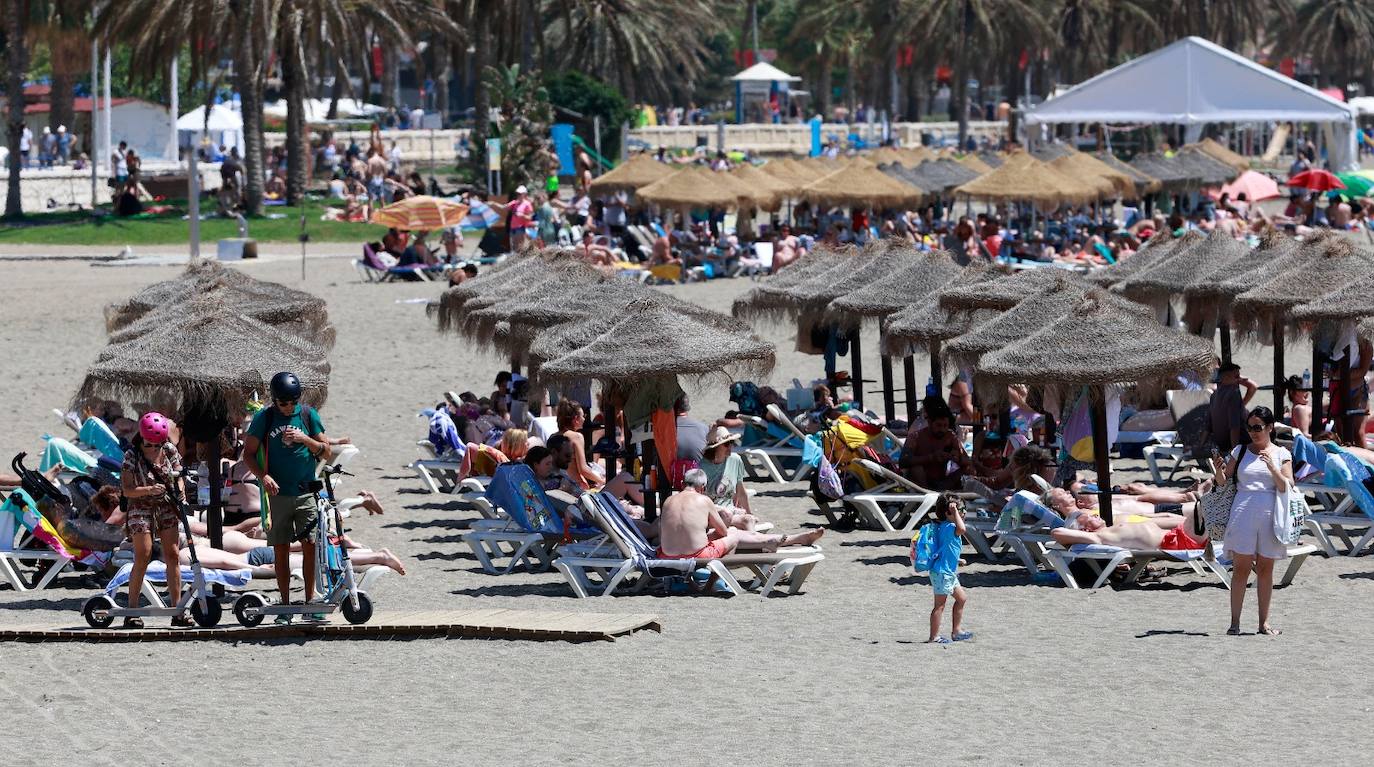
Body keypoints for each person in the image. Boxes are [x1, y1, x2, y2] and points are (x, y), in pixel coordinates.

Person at [241, 372, 329, 624]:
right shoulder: (265, 417)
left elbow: (327, 451)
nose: (288, 407)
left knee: (310, 546)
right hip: (277, 494)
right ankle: (286, 604)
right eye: (283, 403)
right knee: (280, 549)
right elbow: (249, 454)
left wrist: (304, 439)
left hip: (305, 492)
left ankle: (311, 600)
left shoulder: (307, 415)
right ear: (275, 400)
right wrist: (263, 477)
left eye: (292, 401)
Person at [1211, 406, 1293, 636]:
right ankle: (1234, 623)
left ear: (1270, 428)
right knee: (1241, 569)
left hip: (1270, 514)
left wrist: (1272, 467)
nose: (1253, 432)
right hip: (1243, 511)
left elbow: (1287, 485)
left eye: (1258, 427)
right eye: (1249, 427)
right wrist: (1218, 471)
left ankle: (1263, 623)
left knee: (1266, 569)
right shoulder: (1240, 450)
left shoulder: (1281, 453)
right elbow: (1224, 481)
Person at [656, 469, 823, 559]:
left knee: (719, 536)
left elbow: (666, 533)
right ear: (703, 487)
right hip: (698, 555)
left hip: (667, 555)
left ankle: (777, 541)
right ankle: (776, 541)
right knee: (734, 535)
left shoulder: (668, 501)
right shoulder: (703, 500)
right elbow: (724, 533)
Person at [120, 413, 187, 628]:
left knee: (173, 554)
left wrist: (180, 490)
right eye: (151, 444)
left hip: (167, 503)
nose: (154, 448)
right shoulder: (132, 456)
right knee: (144, 554)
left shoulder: (168, 450)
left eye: (158, 444)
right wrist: (149, 489)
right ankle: (132, 609)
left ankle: (177, 610)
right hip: (140, 505)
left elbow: (179, 474)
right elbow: (127, 490)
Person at [925, 495, 972, 644]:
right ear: (948, 513)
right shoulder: (951, 527)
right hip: (942, 573)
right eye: (961, 510)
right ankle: (934, 637)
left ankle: (956, 631)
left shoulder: (943, 527)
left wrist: (957, 560)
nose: (963, 513)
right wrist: (955, 511)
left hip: (947, 572)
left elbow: (945, 548)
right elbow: (962, 529)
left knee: (961, 598)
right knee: (939, 605)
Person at [898, 399, 971, 491]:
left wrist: (956, 458)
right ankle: (928, 493)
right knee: (917, 468)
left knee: (968, 469)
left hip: (942, 481)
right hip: (919, 483)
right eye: (939, 425)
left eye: (945, 426)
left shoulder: (950, 436)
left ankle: (943, 491)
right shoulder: (916, 437)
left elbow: (967, 462)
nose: (942, 429)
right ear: (929, 423)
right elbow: (903, 462)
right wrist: (930, 457)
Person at [1209, 362, 1257, 455]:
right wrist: (1235, 452)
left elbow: (1208, 425)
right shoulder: (1232, 393)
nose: (1239, 379)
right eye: (1236, 377)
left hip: (1219, 442)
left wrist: (1240, 406)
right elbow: (1234, 427)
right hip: (1237, 444)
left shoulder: (1214, 394)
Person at [674, 394, 709, 462]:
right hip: (698, 471)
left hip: (673, 470)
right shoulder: (703, 427)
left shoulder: (667, 430)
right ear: (687, 409)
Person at [509, 185, 535, 251]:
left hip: (521, 228)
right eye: (517, 194)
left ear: (524, 194)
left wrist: (522, 215)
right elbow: (504, 208)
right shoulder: (515, 203)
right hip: (513, 227)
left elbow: (530, 218)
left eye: (520, 194)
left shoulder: (527, 204)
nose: (518, 195)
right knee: (514, 246)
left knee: (520, 247)